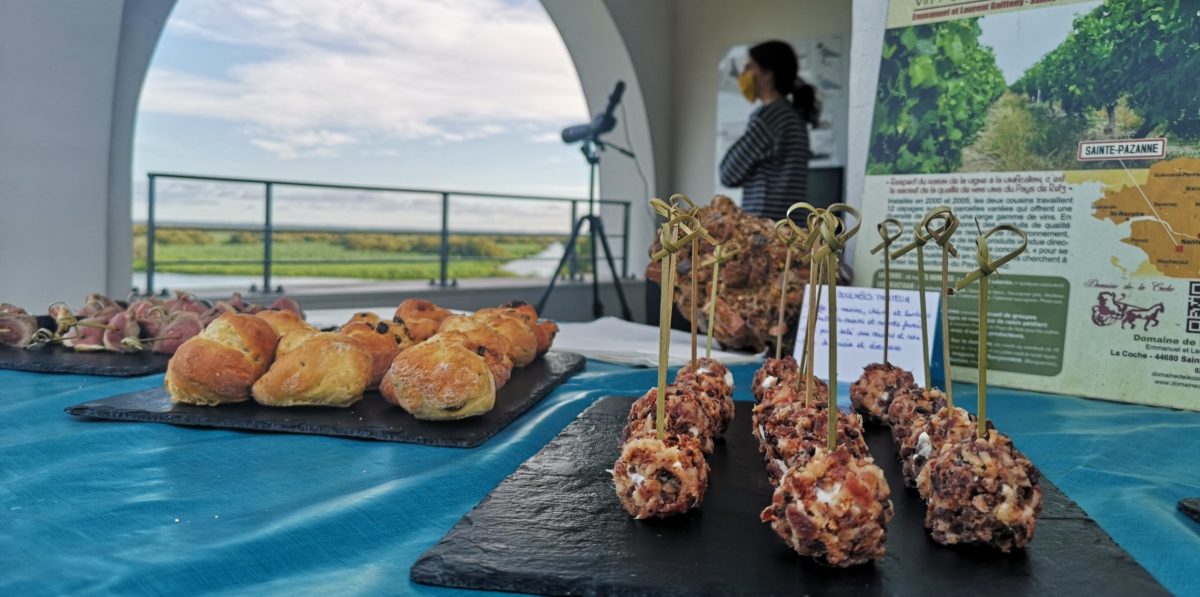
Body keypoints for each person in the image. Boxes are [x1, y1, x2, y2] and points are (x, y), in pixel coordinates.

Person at [719, 40, 821, 222]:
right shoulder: (791, 115)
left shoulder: (770, 118)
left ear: (767, 75)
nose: (743, 74)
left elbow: (728, 174)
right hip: (791, 227)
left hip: (768, 229)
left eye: (749, 67)